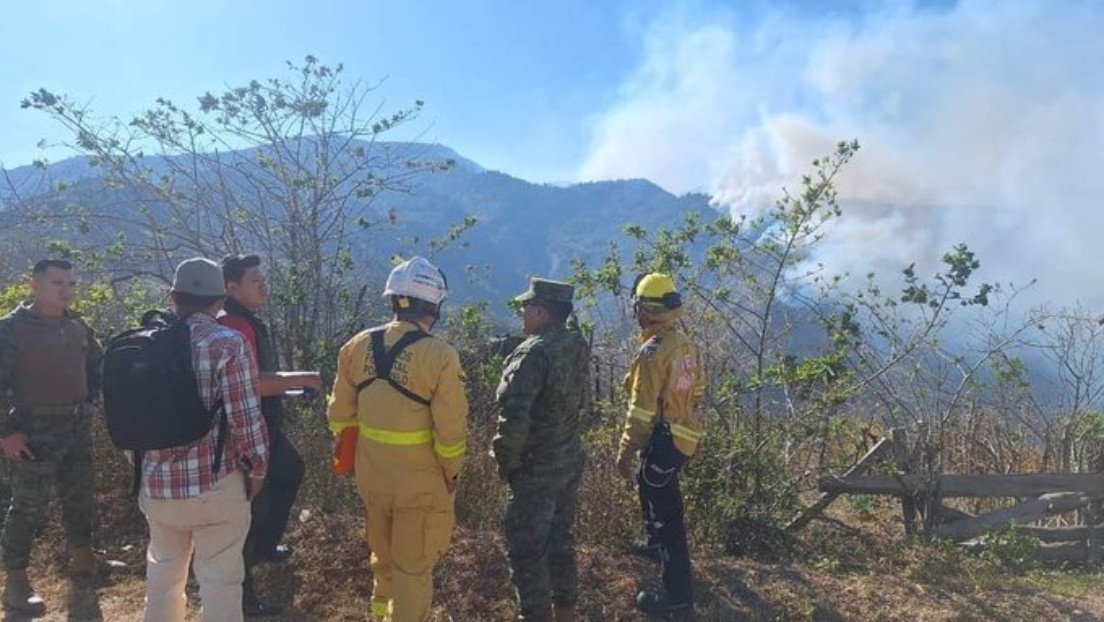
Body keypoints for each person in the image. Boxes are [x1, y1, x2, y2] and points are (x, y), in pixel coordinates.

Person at [327, 256, 467, 622]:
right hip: (420, 487)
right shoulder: (439, 356)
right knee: (411, 570)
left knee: (383, 558)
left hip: (373, 481)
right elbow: (450, 432)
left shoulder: (356, 346)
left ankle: (379, 615)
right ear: (434, 305)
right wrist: (451, 474)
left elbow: (339, 416)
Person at [139, 257, 270, 622]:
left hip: (156, 486)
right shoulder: (227, 343)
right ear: (220, 300)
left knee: (163, 574)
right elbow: (246, 417)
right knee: (220, 581)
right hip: (215, 484)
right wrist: (258, 468)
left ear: (171, 297)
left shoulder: (144, 343)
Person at [220, 254, 321, 617]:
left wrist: (291, 387)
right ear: (231, 287)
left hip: (266, 427)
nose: (263, 284)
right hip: (247, 433)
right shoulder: (235, 324)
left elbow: (262, 379)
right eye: (254, 280)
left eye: (263, 277)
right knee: (248, 508)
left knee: (289, 470)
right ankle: (244, 597)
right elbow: (250, 384)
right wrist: (303, 379)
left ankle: (263, 547)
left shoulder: (248, 321)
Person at [0, 258, 102, 616]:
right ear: (35, 285)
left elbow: (96, 367)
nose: (67, 290)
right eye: (58, 283)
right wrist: (7, 433)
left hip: (76, 429)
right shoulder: (10, 330)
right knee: (27, 509)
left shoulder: (78, 326)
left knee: (80, 500)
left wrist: (90, 403)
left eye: (72, 284)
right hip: (33, 433)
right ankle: (15, 585)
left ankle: (84, 567)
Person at [492, 278, 589, 622]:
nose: (521, 313)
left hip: (536, 466)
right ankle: (565, 612)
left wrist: (504, 461)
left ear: (541, 310)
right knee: (560, 537)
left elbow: (514, 416)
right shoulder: (577, 344)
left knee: (527, 548)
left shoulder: (532, 353)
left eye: (525, 307)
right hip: (568, 458)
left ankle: (534, 615)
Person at [614, 273, 706, 616]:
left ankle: (677, 601)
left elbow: (640, 412)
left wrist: (625, 451)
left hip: (664, 439)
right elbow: (697, 391)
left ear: (645, 311)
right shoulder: (685, 344)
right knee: (654, 490)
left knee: (669, 521)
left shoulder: (652, 353)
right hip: (683, 437)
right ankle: (655, 546)